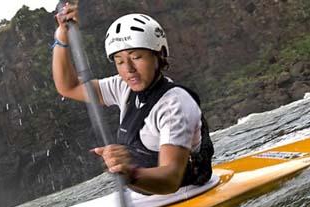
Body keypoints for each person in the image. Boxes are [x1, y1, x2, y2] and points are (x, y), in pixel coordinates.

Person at [52, 4, 213, 195]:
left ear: (159, 55)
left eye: (136, 57)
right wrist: (62, 37)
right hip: (147, 195)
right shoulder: (123, 87)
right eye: (119, 61)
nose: (128, 69)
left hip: (184, 192)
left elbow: (171, 179)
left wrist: (129, 173)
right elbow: (68, 87)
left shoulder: (175, 105)